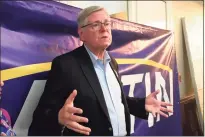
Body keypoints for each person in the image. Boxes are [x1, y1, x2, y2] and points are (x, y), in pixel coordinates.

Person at [28, 6, 172, 136]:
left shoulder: (112, 63)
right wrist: (58, 118)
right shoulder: (65, 65)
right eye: (96, 25)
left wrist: (141, 105)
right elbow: (40, 117)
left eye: (107, 23)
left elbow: (112, 101)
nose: (104, 29)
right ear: (82, 34)